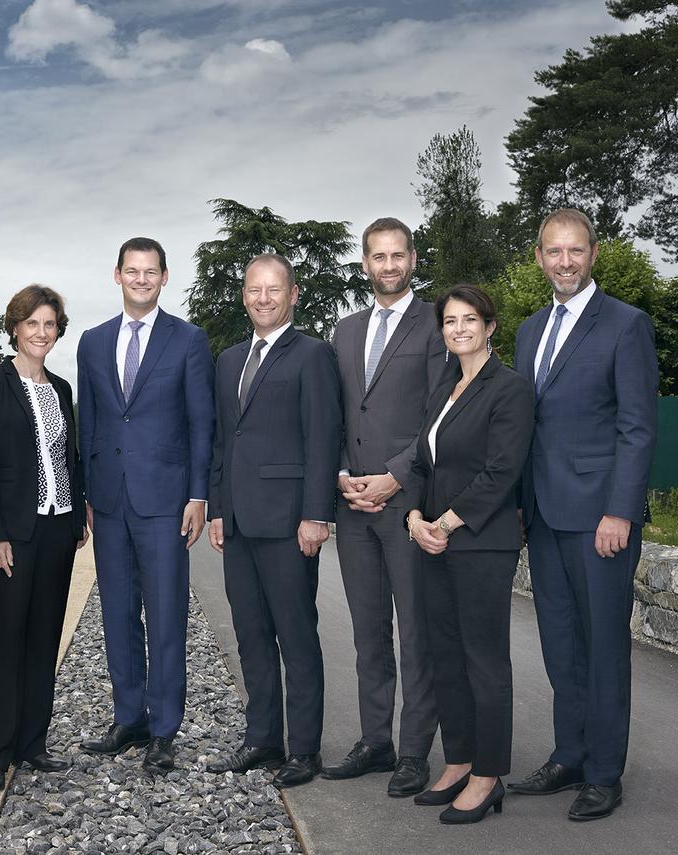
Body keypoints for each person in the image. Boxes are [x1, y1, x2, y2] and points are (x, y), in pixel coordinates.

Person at [509, 208, 658, 822]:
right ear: (539, 257)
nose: (564, 261)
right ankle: (569, 754)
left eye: (575, 250)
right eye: (553, 251)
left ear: (593, 254)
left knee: (602, 648)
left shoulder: (625, 325)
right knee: (559, 645)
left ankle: (603, 773)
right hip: (543, 517)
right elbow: (525, 427)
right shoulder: (527, 330)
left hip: (600, 521)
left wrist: (619, 511)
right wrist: (519, 508)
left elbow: (637, 428)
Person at [76, 238, 215, 773]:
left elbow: (201, 423)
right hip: (109, 500)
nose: (140, 280)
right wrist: (87, 491)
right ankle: (128, 718)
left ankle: (163, 729)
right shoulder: (92, 342)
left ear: (164, 277)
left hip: (165, 501)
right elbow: (88, 421)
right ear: (117, 275)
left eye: (150, 272)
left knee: (164, 616)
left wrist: (198, 494)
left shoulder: (188, 340)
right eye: (131, 271)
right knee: (116, 614)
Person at [206, 254, 342, 789]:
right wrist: (219, 509)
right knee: (251, 635)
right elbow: (223, 440)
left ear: (293, 294)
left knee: (296, 637)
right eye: (254, 289)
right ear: (244, 295)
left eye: (274, 290)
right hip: (238, 523)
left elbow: (322, 438)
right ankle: (263, 739)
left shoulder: (313, 355)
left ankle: (303, 751)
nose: (263, 298)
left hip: (289, 524)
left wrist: (315, 516)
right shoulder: (229, 360)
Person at [403, 285, 534, 824]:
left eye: (469, 319)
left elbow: (502, 471)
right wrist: (414, 519)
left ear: (490, 326)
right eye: (450, 321)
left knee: (483, 661)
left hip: (481, 542)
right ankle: (458, 760)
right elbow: (418, 465)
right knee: (446, 658)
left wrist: (447, 522)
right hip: (433, 540)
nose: (459, 328)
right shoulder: (443, 388)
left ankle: (488, 774)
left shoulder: (510, 389)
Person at [324, 217, 446, 795]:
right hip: (354, 510)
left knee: (416, 632)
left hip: (408, 504)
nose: (389, 266)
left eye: (398, 255)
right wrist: (344, 476)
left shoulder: (436, 325)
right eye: (379, 257)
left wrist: (394, 478)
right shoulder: (344, 331)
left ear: (413, 259)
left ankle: (415, 752)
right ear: (365, 262)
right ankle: (377, 741)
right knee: (368, 632)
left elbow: (439, 414)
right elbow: (338, 415)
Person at [0, 285, 87, 792]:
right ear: (15, 328)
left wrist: (78, 511)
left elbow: (71, 455)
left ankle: (31, 744)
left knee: (44, 639)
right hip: (12, 537)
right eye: (32, 324)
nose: (41, 333)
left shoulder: (61, 388)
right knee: (4, 643)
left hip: (58, 529)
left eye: (50, 325)